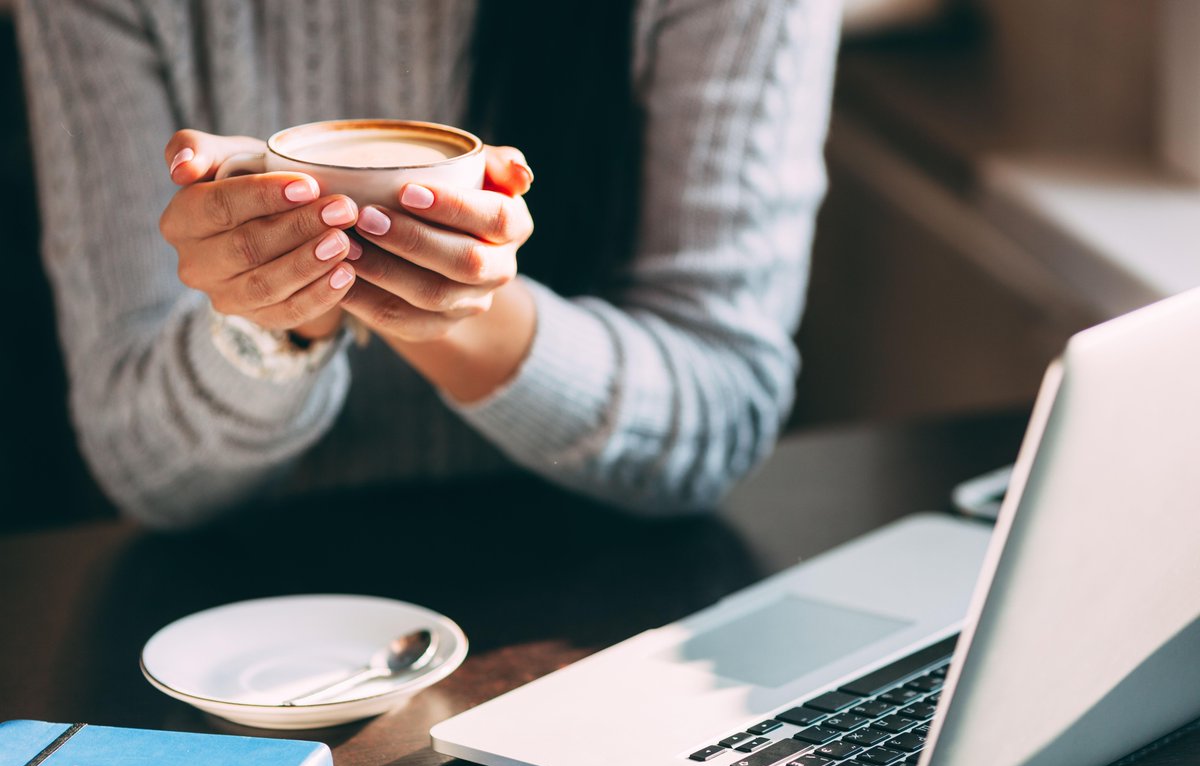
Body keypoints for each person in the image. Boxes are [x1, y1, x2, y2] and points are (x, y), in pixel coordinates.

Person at [16, 0, 840, 528]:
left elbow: (719, 417)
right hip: (251, 614)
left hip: (597, 597)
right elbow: (142, 470)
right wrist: (278, 317)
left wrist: (457, 304)